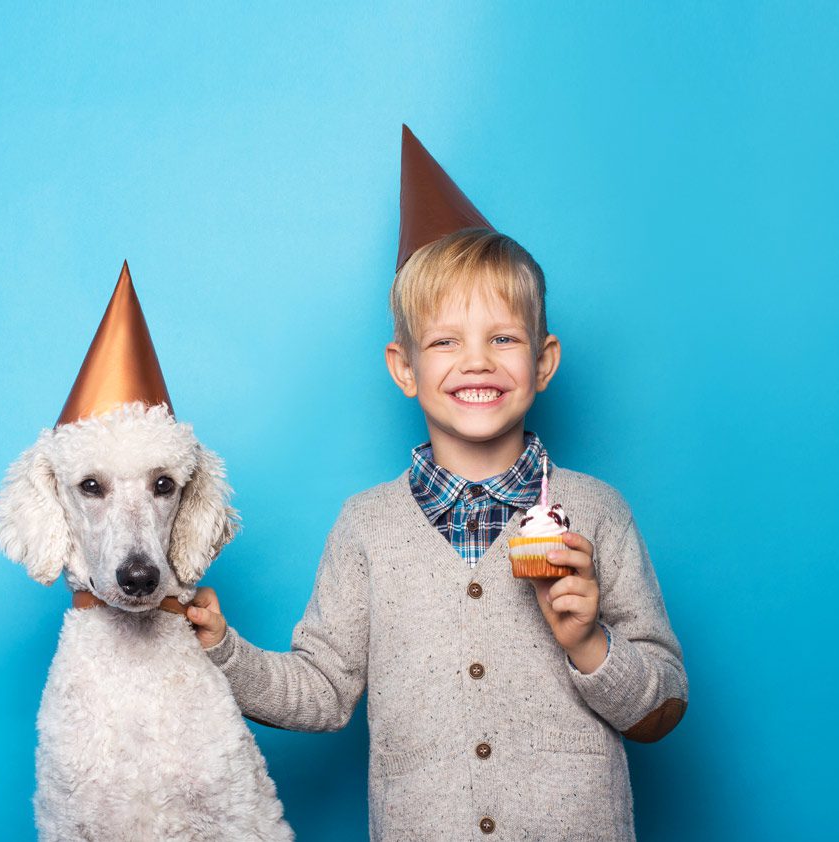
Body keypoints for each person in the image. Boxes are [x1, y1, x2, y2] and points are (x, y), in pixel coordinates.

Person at [187, 128, 686, 840]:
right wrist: (221, 651)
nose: (476, 362)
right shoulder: (366, 526)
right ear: (404, 366)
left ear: (544, 362)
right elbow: (323, 691)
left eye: (503, 339)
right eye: (446, 340)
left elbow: (663, 707)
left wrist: (589, 644)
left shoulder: (598, 513)